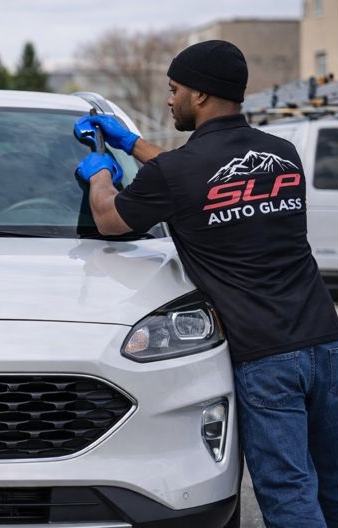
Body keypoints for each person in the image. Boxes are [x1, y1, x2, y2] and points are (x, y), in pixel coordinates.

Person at [74, 39, 338, 528]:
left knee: (288, 491)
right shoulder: (282, 155)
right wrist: (132, 144)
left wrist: (99, 175)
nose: (169, 100)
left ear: (199, 95)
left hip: (266, 358)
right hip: (326, 342)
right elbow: (200, 177)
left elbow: (110, 219)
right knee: (333, 482)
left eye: (174, 89)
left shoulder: (178, 172)